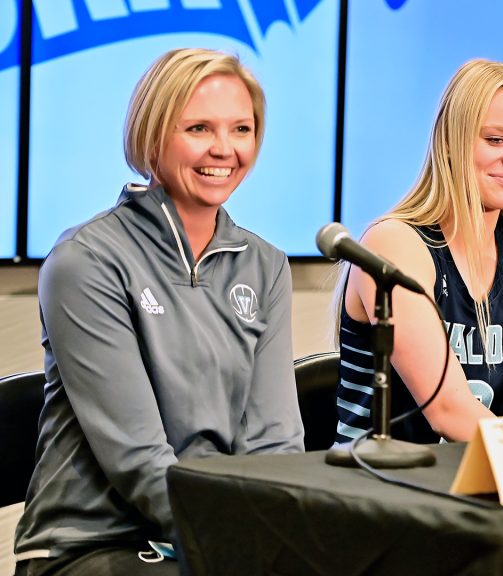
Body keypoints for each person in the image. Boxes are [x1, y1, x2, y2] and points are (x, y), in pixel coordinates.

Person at [14, 48, 304, 575]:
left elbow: (276, 442)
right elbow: (140, 463)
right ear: (152, 137)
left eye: (242, 129)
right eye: (198, 128)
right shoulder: (87, 260)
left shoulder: (267, 266)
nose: (224, 149)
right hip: (93, 547)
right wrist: (248, 546)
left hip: (214, 544)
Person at [333, 59, 503, 444]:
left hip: (475, 483)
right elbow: (448, 411)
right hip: (379, 487)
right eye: (496, 140)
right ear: (450, 142)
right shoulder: (394, 243)